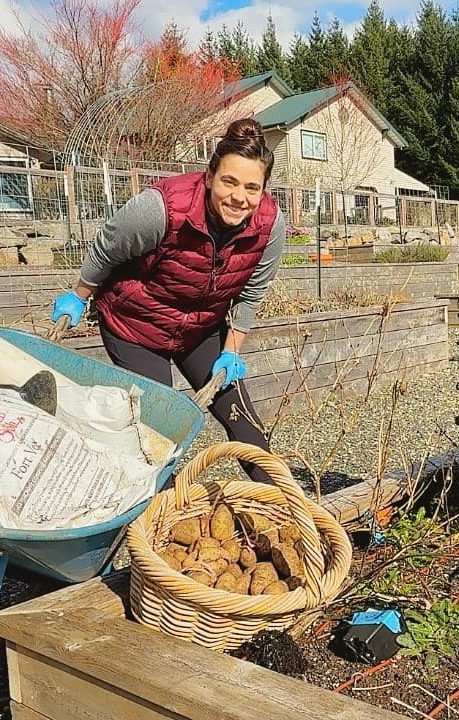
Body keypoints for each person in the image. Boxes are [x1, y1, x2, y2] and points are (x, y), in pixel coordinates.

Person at [50, 118, 285, 482]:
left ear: (264, 190)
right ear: (209, 176)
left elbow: (251, 291)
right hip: (135, 327)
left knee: (242, 419)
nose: (240, 197)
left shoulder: (269, 226)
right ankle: (162, 515)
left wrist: (232, 350)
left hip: (200, 328)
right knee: (157, 427)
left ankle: (282, 507)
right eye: (229, 181)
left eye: (252, 187)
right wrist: (79, 295)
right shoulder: (161, 208)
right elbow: (107, 246)